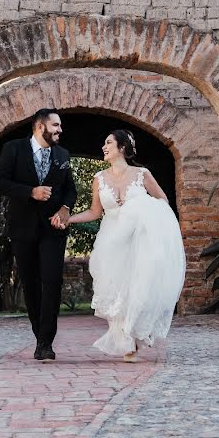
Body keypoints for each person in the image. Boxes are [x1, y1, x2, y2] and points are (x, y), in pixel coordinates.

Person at [63, 130, 186, 362]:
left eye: (108, 142)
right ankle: (125, 338)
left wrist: (140, 209)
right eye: (104, 142)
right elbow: (94, 212)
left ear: (122, 148)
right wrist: (69, 219)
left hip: (140, 238)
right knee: (117, 287)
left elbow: (163, 201)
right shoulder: (99, 178)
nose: (103, 146)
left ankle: (132, 338)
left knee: (138, 284)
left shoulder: (142, 174)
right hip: (111, 240)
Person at [0, 108, 77, 361]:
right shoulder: (13, 149)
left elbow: (70, 190)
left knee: (52, 281)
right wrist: (31, 192)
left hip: (53, 229)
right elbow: (0, 183)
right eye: (55, 125)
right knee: (31, 284)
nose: (60, 130)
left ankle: (46, 342)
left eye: (60, 126)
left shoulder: (62, 154)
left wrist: (65, 208)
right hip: (22, 228)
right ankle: (39, 336)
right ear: (40, 127)